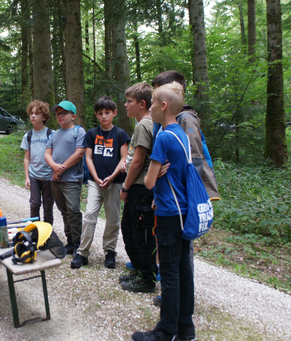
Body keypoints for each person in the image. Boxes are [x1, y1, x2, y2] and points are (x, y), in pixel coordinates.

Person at [151, 70, 220, 308]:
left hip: (184, 197)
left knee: (182, 255)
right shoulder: (170, 123)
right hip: (174, 195)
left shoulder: (185, 120)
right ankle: (177, 298)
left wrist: (190, 196)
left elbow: (194, 160)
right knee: (177, 253)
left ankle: (178, 299)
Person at [132, 82, 195, 341]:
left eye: (154, 104)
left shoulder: (164, 136)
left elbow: (148, 182)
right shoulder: (182, 134)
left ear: (164, 106)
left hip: (169, 214)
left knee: (168, 274)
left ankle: (165, 332)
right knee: (183, 272)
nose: (152, 108)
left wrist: (155, 175)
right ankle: (185, 330)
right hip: (184, 211)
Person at [70, 96, 129, 269]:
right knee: (89, 215)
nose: (104, 116)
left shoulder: (120, 134)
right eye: (100, 113)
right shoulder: (92, 134)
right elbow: (88, 158)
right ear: (96, 115)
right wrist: (96, 178)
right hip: (95, 182)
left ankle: (110, 251)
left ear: (114, 113)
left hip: (115, 182)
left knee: (112, 218)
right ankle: (82, 252)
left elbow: (124, 159)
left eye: (107, 113)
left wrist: (111, 177)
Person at [117, 83, 159, 293]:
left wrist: (124, 187)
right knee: (129, 229)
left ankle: (147, 279)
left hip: (141, 188)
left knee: (142, 235)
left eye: (129, 101)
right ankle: (138, 270)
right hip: (137, 188)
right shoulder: (145, 123)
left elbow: (137, 162)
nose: (125, 105)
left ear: (142, 104)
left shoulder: (144, 125)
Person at [44, 100, 85, 254]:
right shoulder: (54, 134)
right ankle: (70, 242)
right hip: (55, 179)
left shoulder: (79, 132)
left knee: (73, 210)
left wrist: (61, 168)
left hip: (71, 179)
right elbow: (47, 154)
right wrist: (54, 167)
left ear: (73, 116)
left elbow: (79, 153)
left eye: (64, 113)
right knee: (64, 211)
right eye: (58, 113)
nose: (60, 116)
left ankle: (77, 242)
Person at [20, 100, 54, 224]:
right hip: (34, 175)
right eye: (31, 113)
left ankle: (48, 233)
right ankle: (34, 231)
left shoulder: (52, 134)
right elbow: (26, 158)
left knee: (48, 206)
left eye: (37, 113)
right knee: (34, 204)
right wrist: (26, 177)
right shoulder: (28, 136)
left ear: (44, 117)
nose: (33, 116)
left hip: (48, 176)